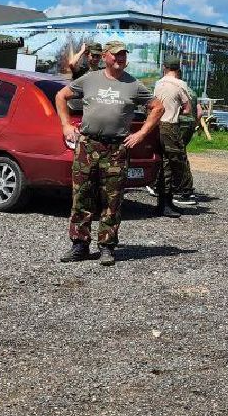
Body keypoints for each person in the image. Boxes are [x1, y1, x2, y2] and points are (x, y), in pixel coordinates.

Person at [54, 39, 164, 265]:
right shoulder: (89, 79)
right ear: (105, 56)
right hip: (88, 145)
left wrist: (141, 134)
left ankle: (106, 246)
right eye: (115, 54)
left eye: (123, 54)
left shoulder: (133, 85)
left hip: (116, 148)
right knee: (82, 196)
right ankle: (79, 245)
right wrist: (66, 125)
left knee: (112, 199)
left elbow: (157, 107)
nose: (120, 58)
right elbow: (61, 96)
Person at [151, 54, 199, 214]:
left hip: (156, 125)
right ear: (178, 69)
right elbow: (187, 109)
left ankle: (163, 202)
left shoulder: (158, 84)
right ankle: (170, 202)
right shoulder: (181, 84)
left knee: (163, 163)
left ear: (164, 67)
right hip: (171, 126)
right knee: (174, 163)